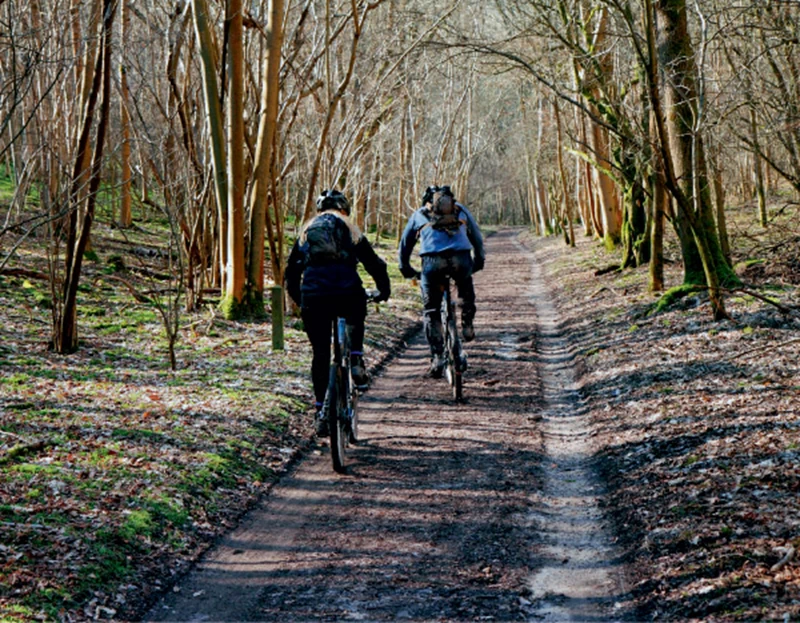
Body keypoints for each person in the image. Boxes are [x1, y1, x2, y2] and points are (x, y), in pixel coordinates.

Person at [285, 189, 391, 435]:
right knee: (356, 310)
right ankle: (355, 358)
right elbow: (373, 263)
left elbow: (291, 272)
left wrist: (300, 300)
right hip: (346, 292)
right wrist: (383, 290)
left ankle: (321, 410)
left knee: (320, 354)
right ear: (344, 209)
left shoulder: (306, 231)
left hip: (313, 297)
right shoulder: (350, 228)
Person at [398, 184, 485, 378]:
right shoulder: (460, 210)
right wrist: (478, 261)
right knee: (465, 287)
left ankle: (438, 356)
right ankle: (468, 323)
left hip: (432, 262)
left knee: (431, 310)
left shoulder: (419, 214)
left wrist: (405, 268)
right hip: (460, 259)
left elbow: (405, 244)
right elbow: (476, 237)